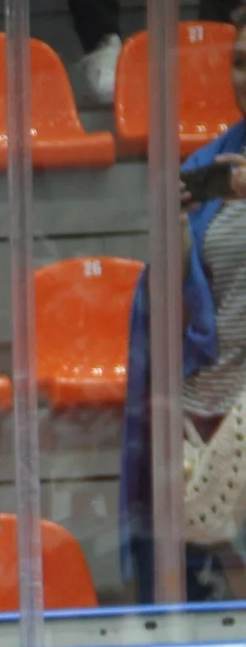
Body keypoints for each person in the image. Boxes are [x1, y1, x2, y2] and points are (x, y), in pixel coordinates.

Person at [122, 34, 246, 604]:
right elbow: (172, 297)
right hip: (209, 401)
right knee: (216, 574)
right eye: (239, 62)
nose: (245, 76)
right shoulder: (207, 165)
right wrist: (174, 225)